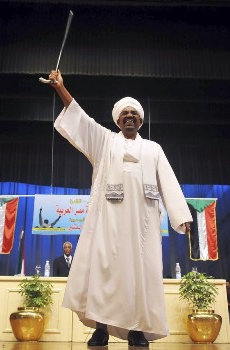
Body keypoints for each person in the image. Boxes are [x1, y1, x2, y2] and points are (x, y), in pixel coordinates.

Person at [48, 69, 192, 347]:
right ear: (117, 119)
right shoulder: (104, 141)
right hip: (107, 223)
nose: (129, 116)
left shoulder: (153, 148)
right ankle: (100, 329)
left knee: (141, 279)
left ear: (140, 120)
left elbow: (169, 183)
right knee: (104, 273)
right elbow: (79, 117)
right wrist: (60, 88)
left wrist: (181, 216)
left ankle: (137, 331)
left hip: (143, 227)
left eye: (134, 114)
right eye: (125, 113)